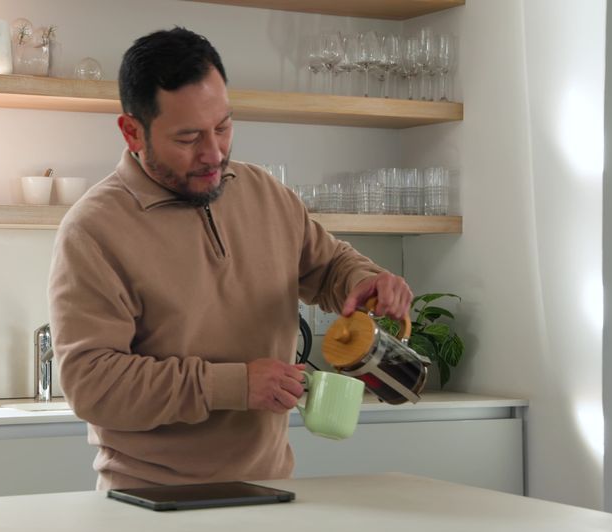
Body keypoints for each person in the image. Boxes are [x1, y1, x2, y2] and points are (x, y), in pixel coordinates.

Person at [46, 27, 413, 490]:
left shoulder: (263, 191)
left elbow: (329, 265)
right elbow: (92, 383)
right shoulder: (94, 229)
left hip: (272, 487)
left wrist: (366, 280)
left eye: (223, 126)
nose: (214, 153)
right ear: (132, 131)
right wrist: (234, 385)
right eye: (188, 138)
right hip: (148, 502)